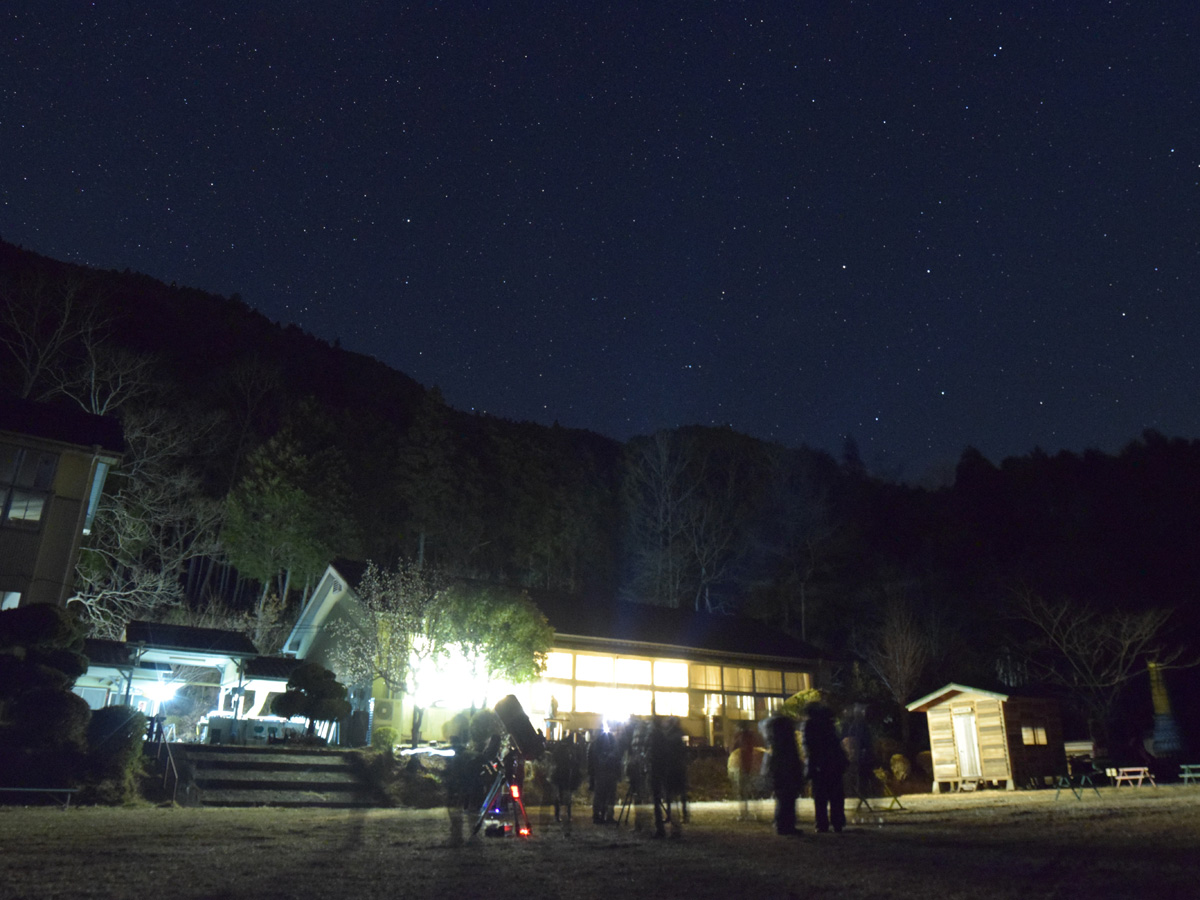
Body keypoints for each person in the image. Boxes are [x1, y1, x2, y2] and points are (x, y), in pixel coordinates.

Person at [802, 703, 848, 833]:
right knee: (836, 795)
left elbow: (808, 746)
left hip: (819, 765)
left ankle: (822, 824)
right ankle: (837, 822)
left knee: (820, 796)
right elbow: (836, 744)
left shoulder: (810, 725)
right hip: (834, 764)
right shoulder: (829, 724)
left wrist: (810, 765)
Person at [764, 713, 804, 835]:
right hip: (788, 770)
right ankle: (786, 825)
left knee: (782, 798)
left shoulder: (775, 740)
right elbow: (792, 756)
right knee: (788, 798)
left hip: (780, 771)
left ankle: (782, 824)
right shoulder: (788, 742)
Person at [588, 729, 620, 824]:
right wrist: (618, 774)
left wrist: (592, 776)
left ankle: (597, 816)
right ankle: (609, 816)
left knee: (599, 796)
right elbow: (617, 760)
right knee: (610, 796)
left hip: (599, 774)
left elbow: (591, 762)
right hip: (611, 774)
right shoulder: (613, 745)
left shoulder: (594, 745)